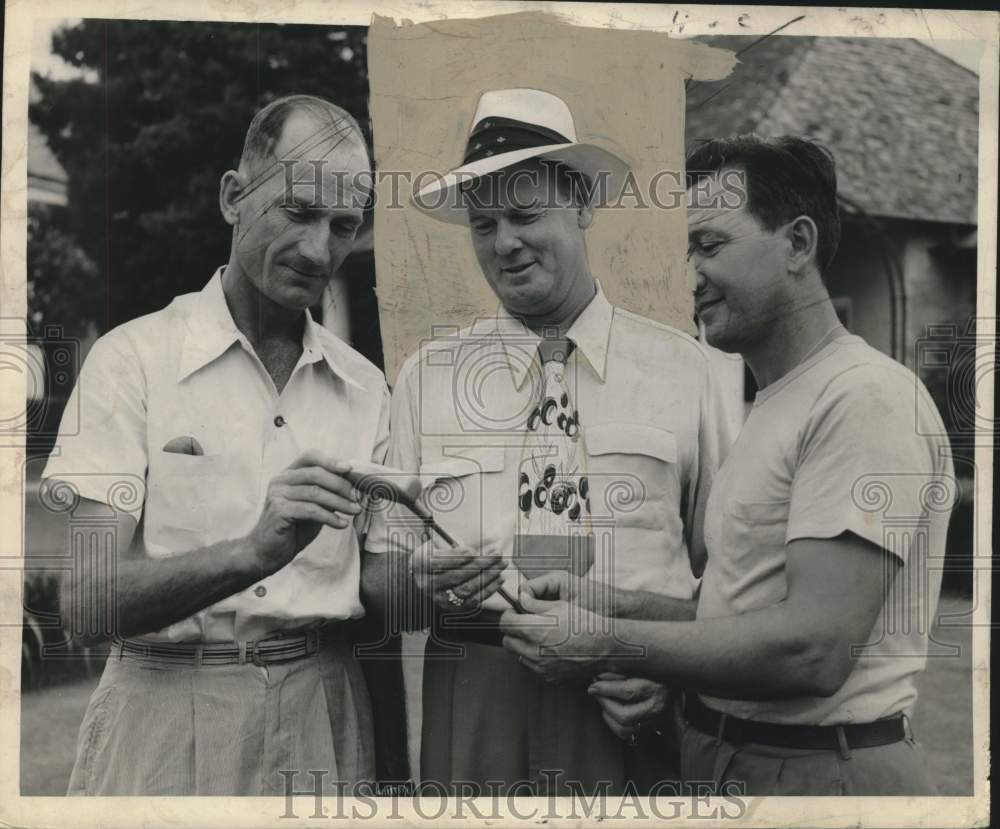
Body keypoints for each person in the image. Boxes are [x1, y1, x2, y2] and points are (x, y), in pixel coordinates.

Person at [500, 135, 955, 796]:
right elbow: (740, 606)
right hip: (739, 765)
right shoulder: (774, 401)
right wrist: (602, 601)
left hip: (821, 776)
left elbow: (814, 647)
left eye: (711, 246)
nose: (691, 275)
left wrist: (604, 641)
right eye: (688, 250)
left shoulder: (864, 397)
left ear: (797, 243)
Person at [362, 88, 732, 795]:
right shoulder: (427, 378)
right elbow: (378, 583)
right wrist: (418, 582)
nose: (505, 242)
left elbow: (733, 578)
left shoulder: (685, 370)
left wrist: (672, 668)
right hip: (475, 696)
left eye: (527, 214)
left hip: (632, 698)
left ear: (583, 204)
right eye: (484, 223)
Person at [44, 94, 395, 795]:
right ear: (234, 196)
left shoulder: (366, 388)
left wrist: (445, 576)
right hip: (163, 717)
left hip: (322, 713)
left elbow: (381, 584)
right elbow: (83, 601)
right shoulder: (131, 360)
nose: (318, 249)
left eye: (343, 225)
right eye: (297, 211)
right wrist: (251, 552)